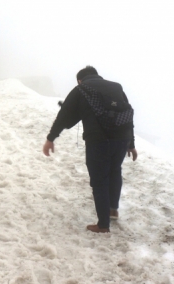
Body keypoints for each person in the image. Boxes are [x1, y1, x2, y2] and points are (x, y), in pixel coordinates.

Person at [42, 66, 138, 234]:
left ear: (80, 80)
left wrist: (51, 138)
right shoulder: (117, 87)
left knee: (99, 180)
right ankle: (112, 210)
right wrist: (131, 144)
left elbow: (64, 116)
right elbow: (128, 115)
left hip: (99, 141)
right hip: (121, 139)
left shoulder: (81, 89)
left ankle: (103, 225)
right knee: (115, 171)